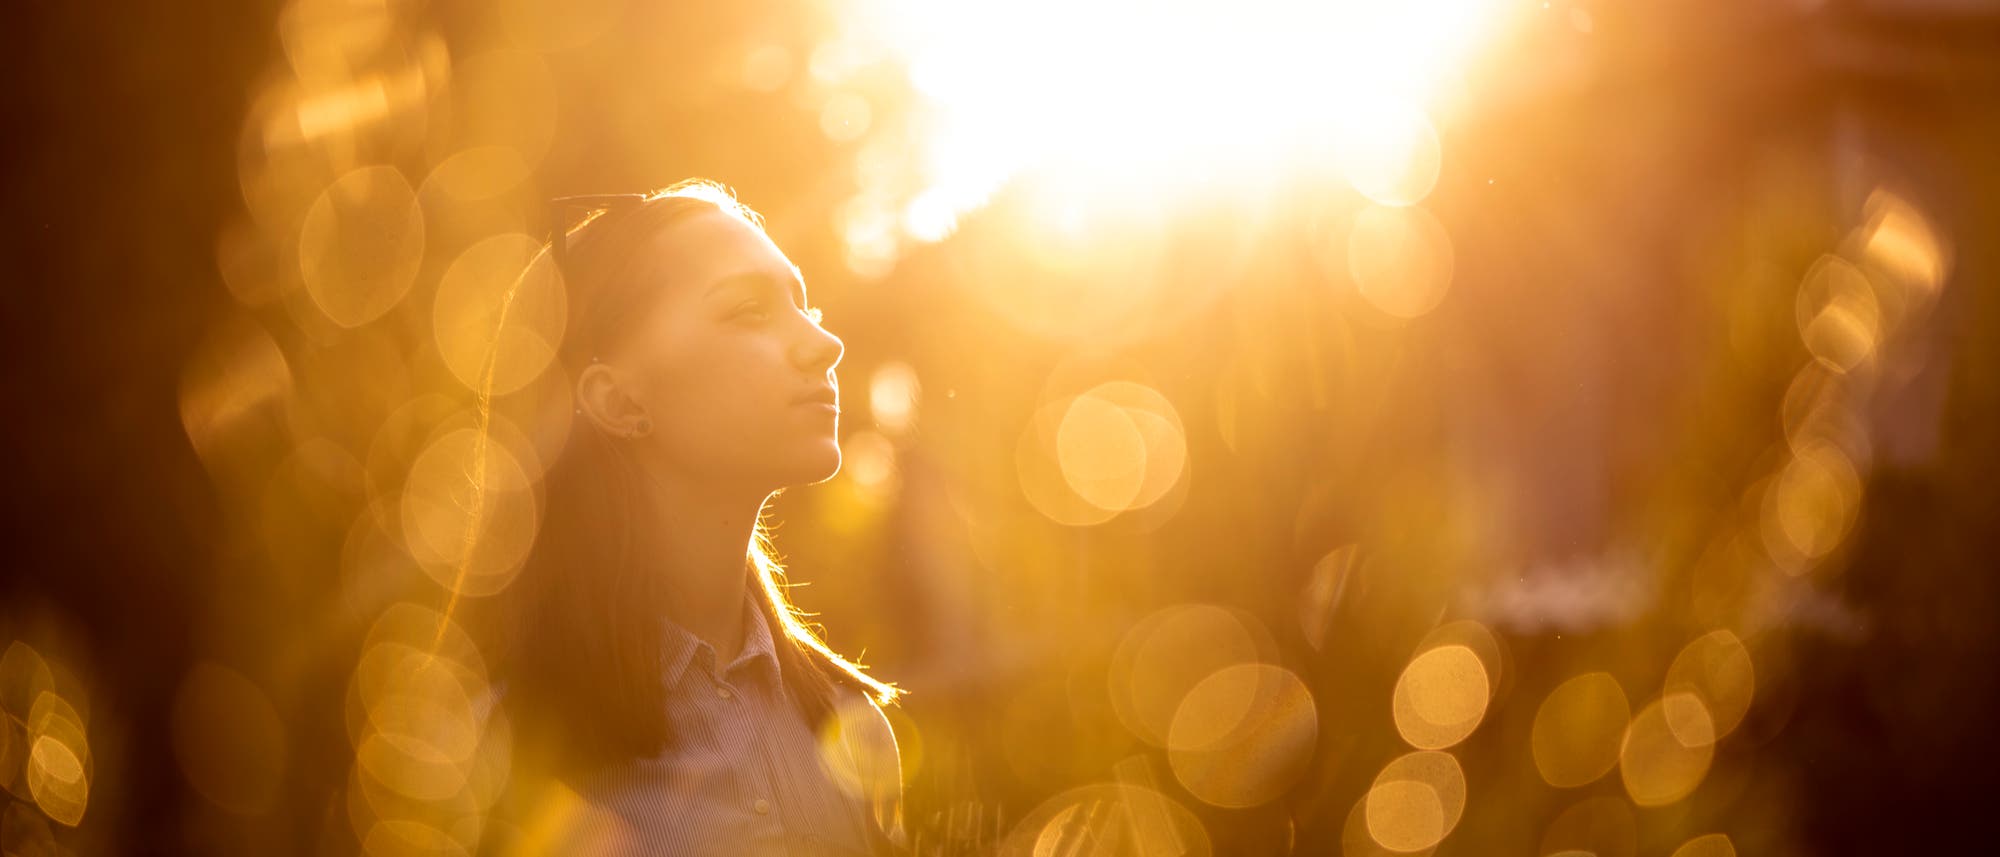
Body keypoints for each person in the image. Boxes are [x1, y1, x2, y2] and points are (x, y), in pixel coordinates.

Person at [479, 179, 907, 856]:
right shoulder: (490, 744)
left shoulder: (852, 726)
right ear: (617, 401)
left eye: (804, 303)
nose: (825, 344)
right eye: (749, 311)